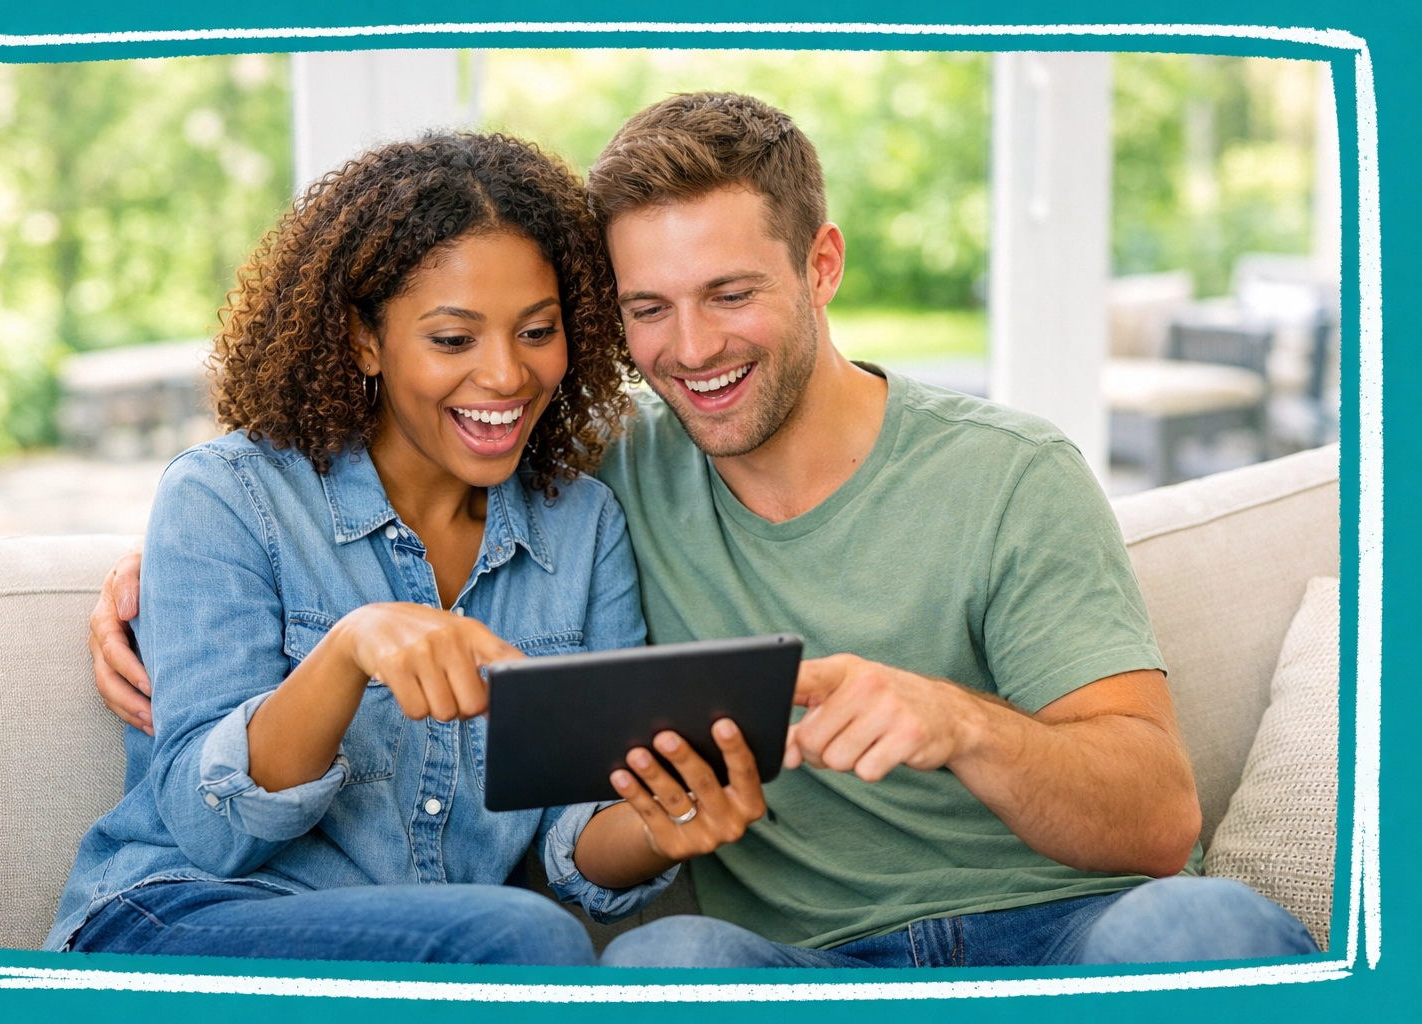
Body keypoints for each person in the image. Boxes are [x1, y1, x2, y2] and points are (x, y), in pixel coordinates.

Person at [90, 96, 1319, 968]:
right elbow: (299, 520)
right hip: (787, 960)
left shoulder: (992, 477)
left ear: (823, 264)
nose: (690, 350)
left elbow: (1161, 822)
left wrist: (952, 723)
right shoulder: (596, 475)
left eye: (732, 294)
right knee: (643, 955)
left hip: (1062, 926)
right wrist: (237, 606)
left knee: (1208, 928)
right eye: (648, 313)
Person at [47, 132, 768, 964]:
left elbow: (576, 843)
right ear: (363, 338)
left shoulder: (584, 527)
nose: (505, 375)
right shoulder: (228, 496)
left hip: (439, 946)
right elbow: (214, 832)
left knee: (540, 931)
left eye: (537, 332)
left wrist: (664, 821)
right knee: (524, 935)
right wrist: (351, 649)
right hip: (181, 922)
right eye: (453, 340)